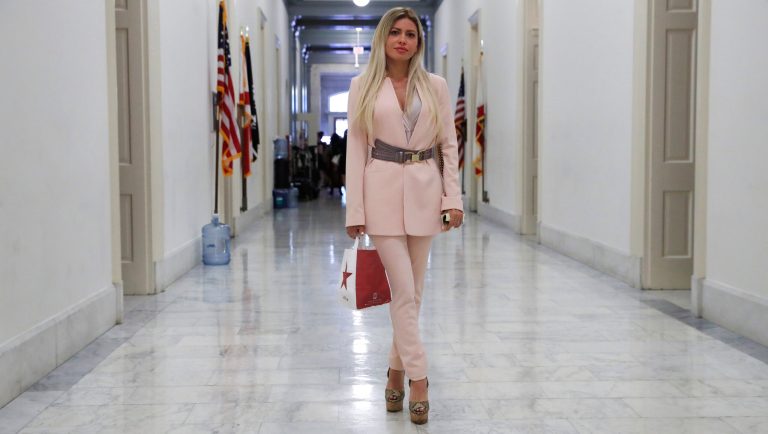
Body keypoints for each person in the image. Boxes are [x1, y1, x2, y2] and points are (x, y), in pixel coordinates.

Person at [344, 6, 463, 425]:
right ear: (383, 38)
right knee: (404, 292)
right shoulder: (363, 86)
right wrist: (354, 209)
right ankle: (419, 379)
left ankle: (394, 371)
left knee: (412, 294)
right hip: (380, 195)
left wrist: (454, 199)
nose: (402, 39)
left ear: (419, 42)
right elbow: (356, 148)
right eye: (395, 32)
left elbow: (448, 144)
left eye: (410, 33)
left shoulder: (436, 86)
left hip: (427, 195)